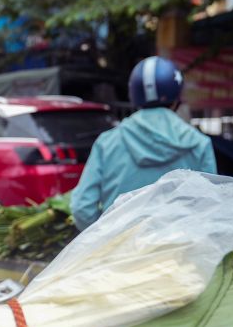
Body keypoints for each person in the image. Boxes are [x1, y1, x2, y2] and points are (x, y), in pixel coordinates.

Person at [70, 56, 216, 230]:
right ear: (177, 96)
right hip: (181, 250)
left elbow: (82, 208)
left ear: (134, 96)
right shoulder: (199, 144)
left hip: (122, 251)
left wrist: (105, 237)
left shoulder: (107, 143)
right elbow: (209, 206)